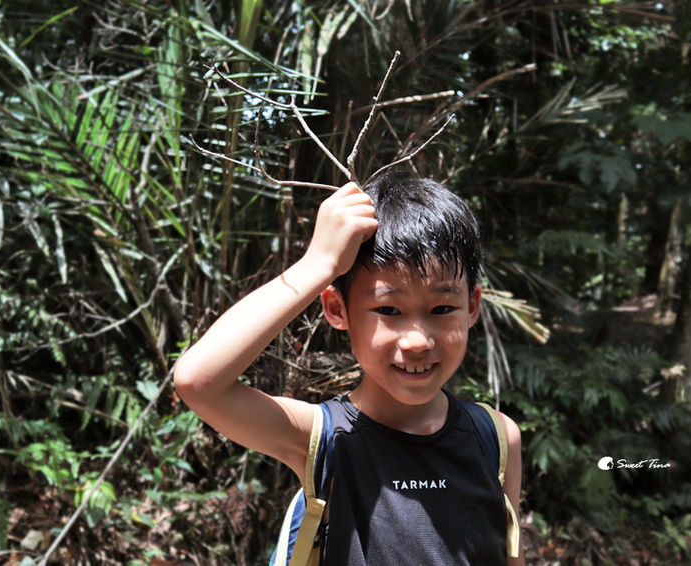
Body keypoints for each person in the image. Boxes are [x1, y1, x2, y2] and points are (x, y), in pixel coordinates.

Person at [173, 173, 525, 565]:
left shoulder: (495, 439)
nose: (417, 340)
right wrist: (317, 263)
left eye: (442, 309)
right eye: (388, 310)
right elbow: (199, 382)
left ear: (472, 306)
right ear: (338, 310)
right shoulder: (323, 438)